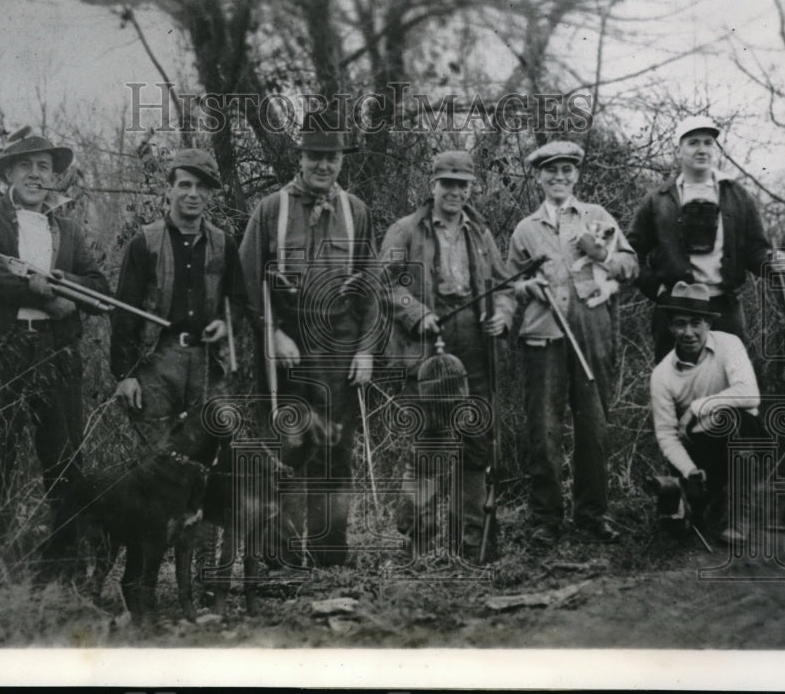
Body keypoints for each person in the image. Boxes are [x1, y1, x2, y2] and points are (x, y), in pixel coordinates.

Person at [0, 134, 110, 579]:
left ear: (55, 176)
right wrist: (36, 292)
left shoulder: (70, 230)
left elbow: (99, 289)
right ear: (7, 174)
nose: (36, 175)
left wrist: (64, 282)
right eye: (26, 167)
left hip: (55, 353)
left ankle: (61, 572)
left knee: (65, 464)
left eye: (44, 167)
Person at [239, 128, 378, 568]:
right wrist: (271, 333)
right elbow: (246, 283)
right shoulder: (271, 209)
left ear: (342, 160)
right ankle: (277, 557)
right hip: (286, 346)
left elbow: (374, 288)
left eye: (331, 157)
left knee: (335, 450)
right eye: (314, 156)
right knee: (285, 448)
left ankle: (329, 555)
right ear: (300, 158)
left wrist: (366, 350)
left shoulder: (356, 211)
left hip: (338, 346)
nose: (323, 165)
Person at [109, 148, 247, 588]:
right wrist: (125, 374)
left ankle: (205, 580)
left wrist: (222, 327)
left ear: (210, 195)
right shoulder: (144, 242)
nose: (191, 194)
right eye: (183, 184)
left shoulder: (224, 242)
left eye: (201, 187)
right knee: (156, 470)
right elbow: (124, 312)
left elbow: (239, 304)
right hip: (156, 362)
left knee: (210, 469)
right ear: (168, 189)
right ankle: (141, 583)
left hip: (206, 363)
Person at [379, 150, 516, 561]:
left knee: (475, 444)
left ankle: (468, 546)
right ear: (432, 185)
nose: (454, 191)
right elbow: (386, 285)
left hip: (475, 346)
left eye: (462, 184)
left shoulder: (481, 233)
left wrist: (502, 316)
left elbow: (504, 287)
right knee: (428, 445)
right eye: (447, 183)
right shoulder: (405, 230)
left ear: (471, 188)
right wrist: (416, 313)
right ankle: (418, 545)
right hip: (426, 351)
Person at [507, 140, 638, 545]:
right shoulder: (526, 229)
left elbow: (629, 267)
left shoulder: (597, 217)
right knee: (544, 427)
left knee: (594, 424)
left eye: (567, 170)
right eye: (551, 171)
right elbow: (510, 284)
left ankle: (592, 514)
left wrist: (600, 254)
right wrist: (529, 287)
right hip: (543, 334)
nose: (559, 177)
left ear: (577, 174)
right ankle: (546, 518)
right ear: (539, 177)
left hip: (592, 331)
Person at [627, 115, 785, 362]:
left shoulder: (736, 195)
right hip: (675, 308)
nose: (702, 149)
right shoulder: (658, 200)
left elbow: (755, 249)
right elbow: (631, 254)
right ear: (678, 149)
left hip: (725, 308)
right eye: (693, 143)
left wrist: (770, 261)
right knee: (676, 388)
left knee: (730, 386)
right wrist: (658, 291)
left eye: (708, 142)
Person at [649, 281, 763, 545]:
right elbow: (666, 435)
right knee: (681, 525)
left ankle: (738, 516)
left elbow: (750, 394)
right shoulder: (662, 375)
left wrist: (697, 407)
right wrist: (689, 471)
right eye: (680, 323)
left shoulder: (729, 345)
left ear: (709, 324)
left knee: (738, 419)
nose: (688, 332)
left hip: (740, 439)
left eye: (696, 323)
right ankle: (698, 503)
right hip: (697, 449)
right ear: (670, 327)